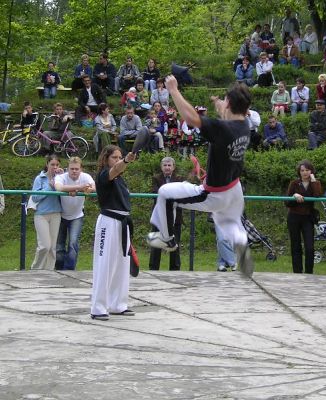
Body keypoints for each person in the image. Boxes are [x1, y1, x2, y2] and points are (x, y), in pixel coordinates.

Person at [146, 76, 254, 276]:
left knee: (165, 194)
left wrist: (173, 89)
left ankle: (168, 240)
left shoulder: (221, 129)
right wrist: (221, 106)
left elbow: (190, 118)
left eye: (225, 101)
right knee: (228, 223)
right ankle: (242, 246)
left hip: (214, 193)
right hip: (234, 189)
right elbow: (228, 120)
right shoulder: (244, 126)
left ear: (229, 104)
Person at [91, 145, 136, 320]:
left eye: (119, 157)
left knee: (122, 264)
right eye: (114, 157)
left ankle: (118, 304)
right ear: (106, 159)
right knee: (104, 264)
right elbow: (116, 169)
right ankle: (98, 307)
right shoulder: (104, 175)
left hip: (122, 223)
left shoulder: (120, 180)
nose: (117, 160)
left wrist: (123, 162)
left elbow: (118, 170)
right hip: (108, 222)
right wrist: (125, 161)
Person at [54, 157, 96, 270]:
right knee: (59, 245)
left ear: (81, 169)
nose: (74, 171)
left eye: (76, 169)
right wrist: (78, 187)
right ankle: (58, 268)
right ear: (67, 169)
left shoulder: (86, 177)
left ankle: (69, 269)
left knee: (73, 243)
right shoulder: (61, 177)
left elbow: (94, 187)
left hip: (77, 216)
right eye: (71, 169)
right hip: (61, 215)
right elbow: (58, 187)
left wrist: (87, 189)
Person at [285, 160, 322, 274]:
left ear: (311, 171)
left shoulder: (315, 183)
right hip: (294, 217)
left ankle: (309, 272)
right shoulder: (294, 183)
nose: (305, 172)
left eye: (307, 170)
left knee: (310, 247)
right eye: (302, 170)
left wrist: (313, 180)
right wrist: (294, 195)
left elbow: (317, 195)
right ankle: (297, 272)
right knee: (295, 245)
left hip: (308, 218)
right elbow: (287, 202)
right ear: (299, 172)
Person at [149, 157, 183, 271]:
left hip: (175, 216)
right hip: (159, 216)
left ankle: (175, 269)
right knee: (156, 243)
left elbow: (180, 194)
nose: (167, 167)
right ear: (161, 167)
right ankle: (153, 268)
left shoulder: (179, 179)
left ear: (173, 167)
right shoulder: (156, 178)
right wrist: (170, 195)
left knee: (175, 243)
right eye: (165, 165)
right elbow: (155, 192)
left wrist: (167, 195)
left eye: (169, 165)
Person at [30, 155, 63, 270]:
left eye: (57, 165)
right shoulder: (40, 178)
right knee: (44, 245)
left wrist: (63, 176)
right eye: (52, 164)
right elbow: (35, 197)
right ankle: (35, 269)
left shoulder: (61, 178)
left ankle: (49, 271)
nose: (55, 167)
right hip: (41, 215)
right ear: (47, 164)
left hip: (56, 214)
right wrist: (49, 187)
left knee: (52, 247)